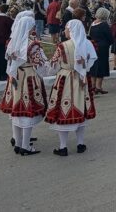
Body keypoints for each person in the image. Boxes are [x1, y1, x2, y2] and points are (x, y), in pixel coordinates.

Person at [0, 13, 50, 155]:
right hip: (28, 77)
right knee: (28, 111)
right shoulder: (32, 45)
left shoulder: (12, 42)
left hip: (15, 77)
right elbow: (40, 63)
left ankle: (18, 141)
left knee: (16, 109)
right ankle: (25, 146)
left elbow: (9, 60)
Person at [45, 20, 97, 156]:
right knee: (81, 108)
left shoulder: (63, 46)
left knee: (64, 109)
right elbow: (92, 60)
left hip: (66, 78)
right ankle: (80, 144)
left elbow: (53, 66)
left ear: (72, 30)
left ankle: (63, 146)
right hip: (82, 79)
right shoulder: (87, 43)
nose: (65, 31)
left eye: (67, 29)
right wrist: (83, 68)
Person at [89, 8, 113, 95]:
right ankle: (99, 87)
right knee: (102, 66)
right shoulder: (104, 25)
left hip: (94, 47)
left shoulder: (93, 24)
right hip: (103, 48)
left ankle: (93, 86)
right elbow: (110, 37)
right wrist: (110, 42)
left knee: (94, 66)